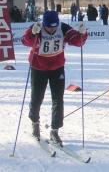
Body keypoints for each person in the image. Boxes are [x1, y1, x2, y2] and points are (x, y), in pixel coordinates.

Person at [21, 10, 87, 145]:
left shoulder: (62, 28)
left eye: (53, 26)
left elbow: (77, 41)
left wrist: (82, 33)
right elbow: (25, 41)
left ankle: (55, 130)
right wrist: (31, 33)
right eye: (48, 26)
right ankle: (35, 122)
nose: (51, 29)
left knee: (58, 99)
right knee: (37, 97)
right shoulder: (37, 28)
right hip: (38, 67)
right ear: (43, 23)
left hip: (57, 68)